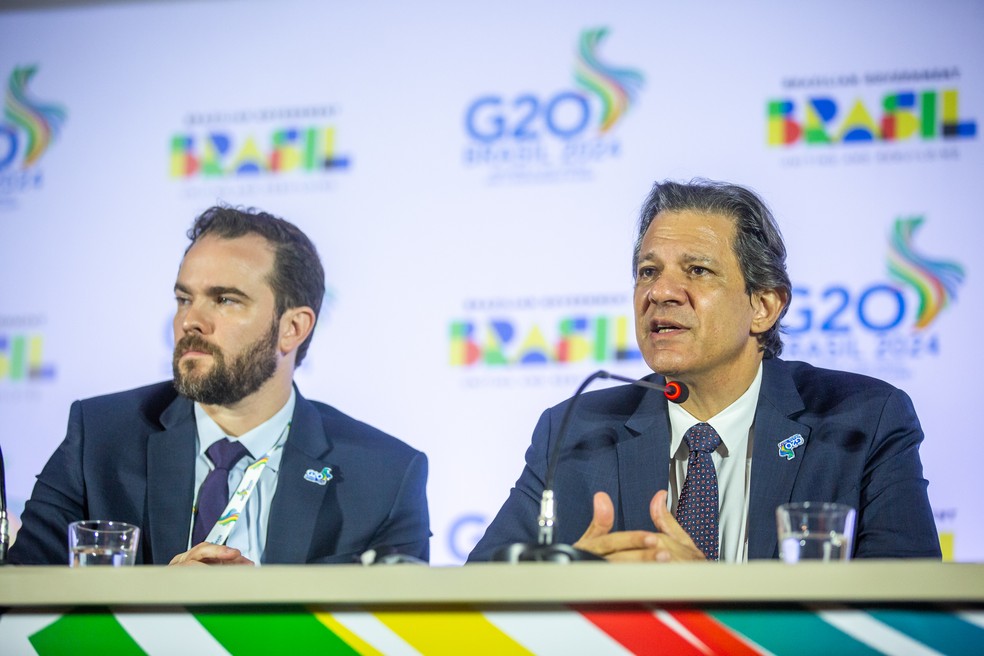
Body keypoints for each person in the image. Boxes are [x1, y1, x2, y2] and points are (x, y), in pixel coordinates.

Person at [468, 179, 941, 563]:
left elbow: (906, 620)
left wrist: (710, 597)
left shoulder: (862, 423)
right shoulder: (575, 432)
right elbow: (480, 596)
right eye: (648, 271)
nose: (661, 292)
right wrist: (570, 589)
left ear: (764, 305)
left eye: (697, 271)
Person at [10, 206, 430, 565]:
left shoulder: (384, 475)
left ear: (293, 328)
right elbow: (19, 602)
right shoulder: (100, 438)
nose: (191, 320)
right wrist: (158, 605)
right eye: (184, 299)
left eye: (225, 300)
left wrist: (258, 616)